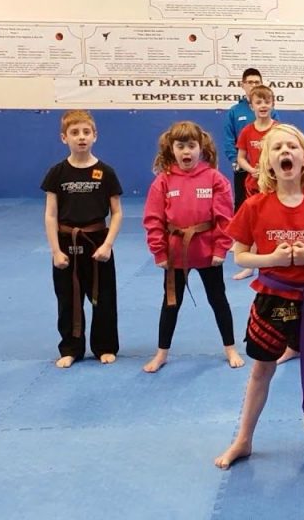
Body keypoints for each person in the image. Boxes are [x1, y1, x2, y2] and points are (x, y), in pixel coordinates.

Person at [214, 123, 304, 470]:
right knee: (261, 369)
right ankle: (244, 438)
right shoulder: (254, 206)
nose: (285, 152)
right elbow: (240, 256)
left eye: (292, 147)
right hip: (272, 297)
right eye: (277, 148)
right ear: (267, 162)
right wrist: (272, 260)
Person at [141, 121, 242, 373]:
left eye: (191, 146)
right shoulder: (163, 181)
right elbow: (153, 219)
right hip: (175, 252)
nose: (186, 151)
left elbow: (225, 218)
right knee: (171, 303)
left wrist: (221, 248)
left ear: (201, 147)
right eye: (180, 146)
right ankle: (162, 352)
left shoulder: (214, 179)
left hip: (208, 252)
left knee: (218, 300)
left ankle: (230, 348)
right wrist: (159, 251)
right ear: (171, 149)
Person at [41, 110, 123, 369]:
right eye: (74, 133)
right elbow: (50, 215)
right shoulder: (57, 173)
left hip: (97, 240)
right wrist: (55, 251)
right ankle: (71, 348)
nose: (81, 137)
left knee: (104, 297)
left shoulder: (105, 172)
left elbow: (117, 213)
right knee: (68, 298)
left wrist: (108, 244)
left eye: (86, 132)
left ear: (95, 135)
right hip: (66, 241)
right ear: (63, 137)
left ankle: (105, 346)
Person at [232, 84, 277, 280]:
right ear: (252, 106)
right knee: (253, 225)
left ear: (273, 104)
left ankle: (274, 262)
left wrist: (273, 169)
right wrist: (252, 170)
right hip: (254, 184)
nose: (263, 105)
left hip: (275, 184)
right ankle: (250, 265)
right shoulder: (247, 131)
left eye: (267, 101)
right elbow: (241, 157)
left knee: (274, 224)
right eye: (259, 102)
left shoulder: (278, 129)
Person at [224, 67, 278, 212]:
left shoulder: (277, 126)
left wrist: (271, 168)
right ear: (243, 85)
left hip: (272, 175)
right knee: (244, 207)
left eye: (256, 82)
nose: (253, 85)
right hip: (246, 171)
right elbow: (229, 139)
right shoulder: (235, 112)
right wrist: (239, 163)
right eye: (250, 82)